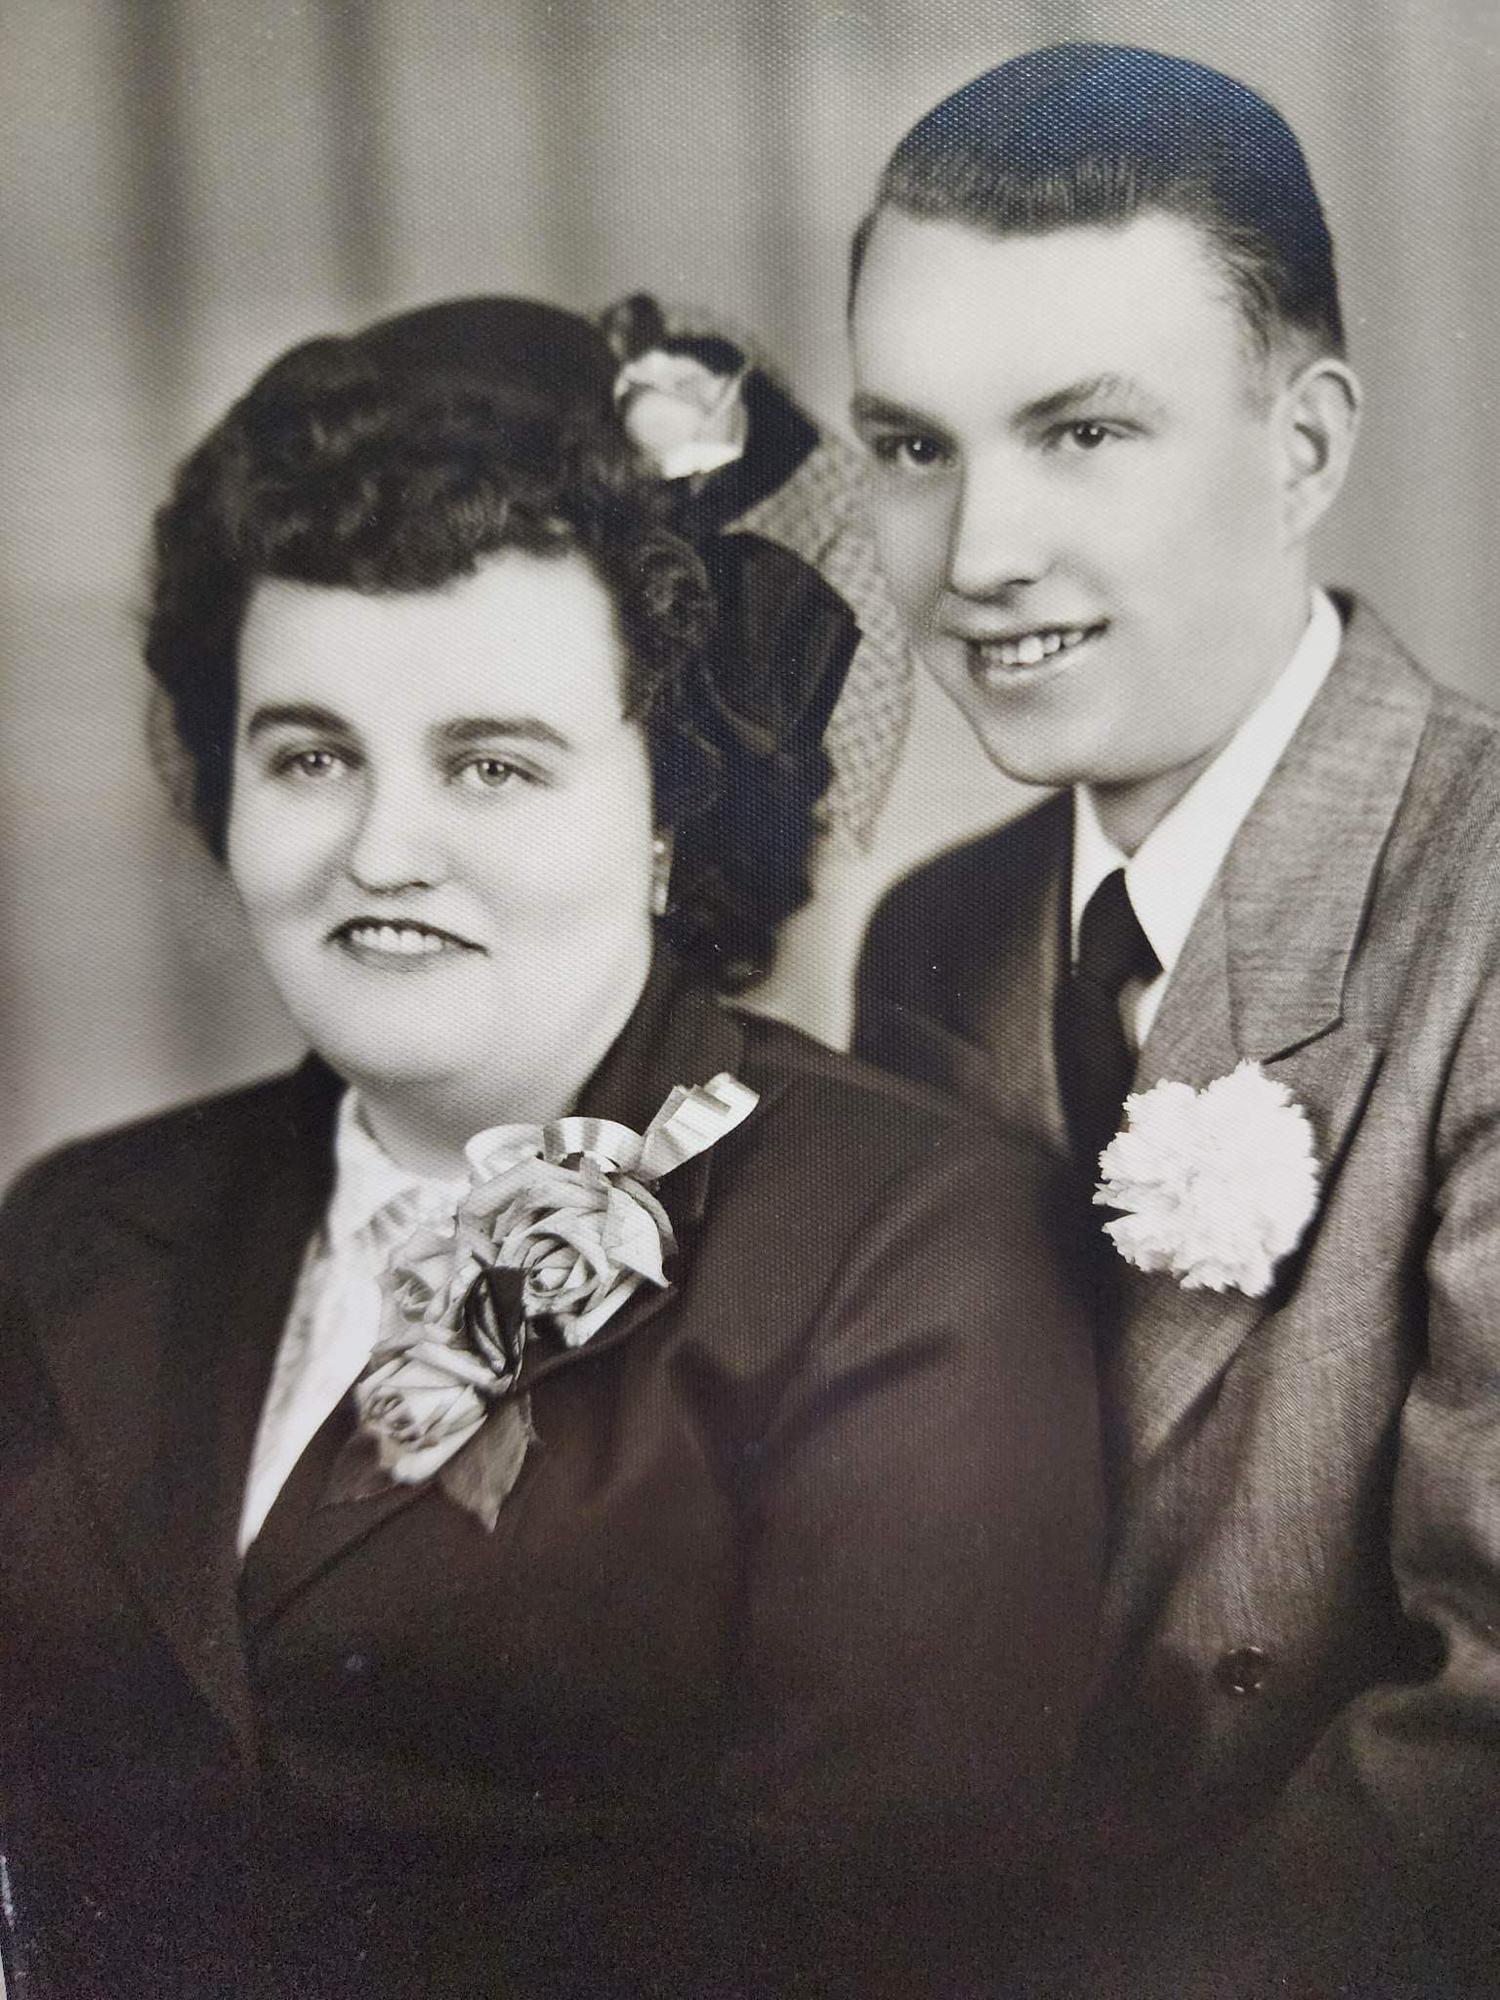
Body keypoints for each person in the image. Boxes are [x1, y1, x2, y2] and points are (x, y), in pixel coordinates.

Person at [0, 296, 1101, 1999]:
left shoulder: (902, 1253)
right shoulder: (82, 1231)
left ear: (670, 813)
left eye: (492, 764)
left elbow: (875, 1942)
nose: (383, 848)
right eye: (310, 756)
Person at [847, 42, 1500, 1997]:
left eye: (1083, 433)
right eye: (911, 447)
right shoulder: (932, 941)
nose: (976, 561)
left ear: (1302, 448)